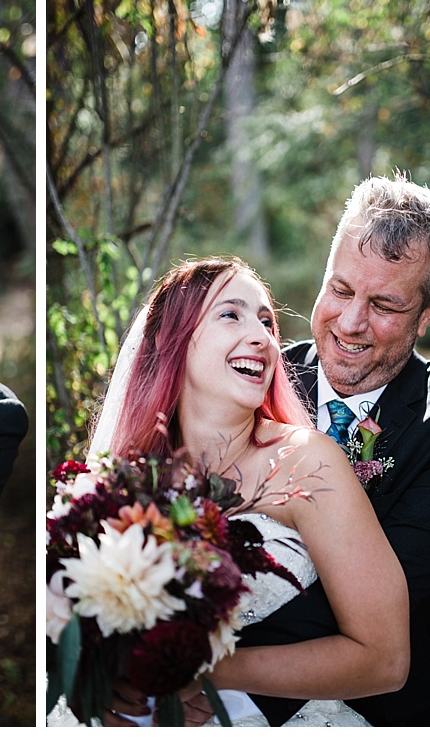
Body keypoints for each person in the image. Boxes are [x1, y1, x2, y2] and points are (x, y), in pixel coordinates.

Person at [50, 256, 411, 727]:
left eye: (267, 321)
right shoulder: (126, 480)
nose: (262, 337)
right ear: (170, 339)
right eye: (230, 314)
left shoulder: (308, 461)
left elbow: (385, 659)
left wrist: (207, 672)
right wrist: (102, 674)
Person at [214, 174, 430, 727]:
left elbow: (364, 611)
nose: (351, 323)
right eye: (341, 290)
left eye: (385, 305)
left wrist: (200, 668)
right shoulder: (254, 378)